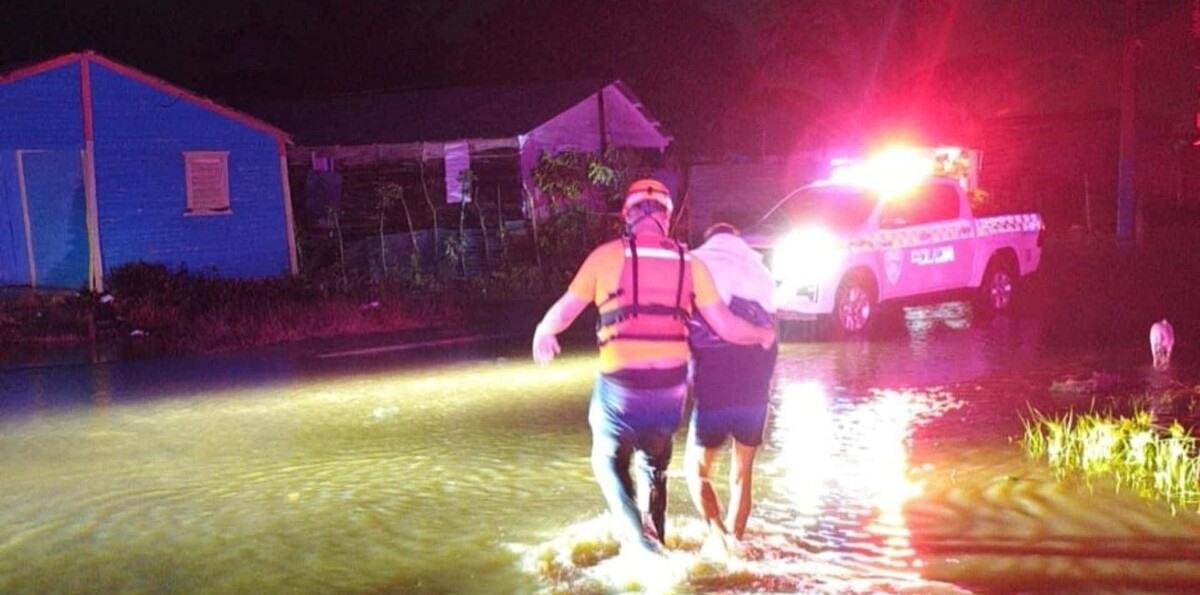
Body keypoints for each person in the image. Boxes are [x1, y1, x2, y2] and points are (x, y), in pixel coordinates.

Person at [532, 179, 775, 559]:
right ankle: (656, 535)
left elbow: (564, 310)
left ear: (627, 216)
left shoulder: (605, 256)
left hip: (621, 390)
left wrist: (544, 331)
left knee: (607, 462)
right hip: (669, 395)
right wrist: (760, 333)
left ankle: (642, 544)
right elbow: (727, 326)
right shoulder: (690, 263)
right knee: (654, 467)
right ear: (666, 217)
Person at [683, 223, 778, 558]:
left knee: (695, 471)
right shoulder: (760, 274)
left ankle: (717, 533)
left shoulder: (696, 265)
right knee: (741, 475)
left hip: (715, 388)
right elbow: (771, 342)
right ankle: (735, 549)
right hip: (755, 392)